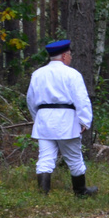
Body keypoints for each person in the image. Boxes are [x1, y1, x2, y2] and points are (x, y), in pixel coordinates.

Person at [25, 39, 97, 197]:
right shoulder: (72, 74)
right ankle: (81, 191)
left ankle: (42, 195)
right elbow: (81, 99)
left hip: (44, 120)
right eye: (69, 55)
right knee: (74, 158)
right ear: (64, 56)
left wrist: (37, 118)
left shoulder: (37, 74)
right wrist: (85, 120)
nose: (70, 58)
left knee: (45, 158)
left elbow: (30, 99)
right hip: (66, 120)